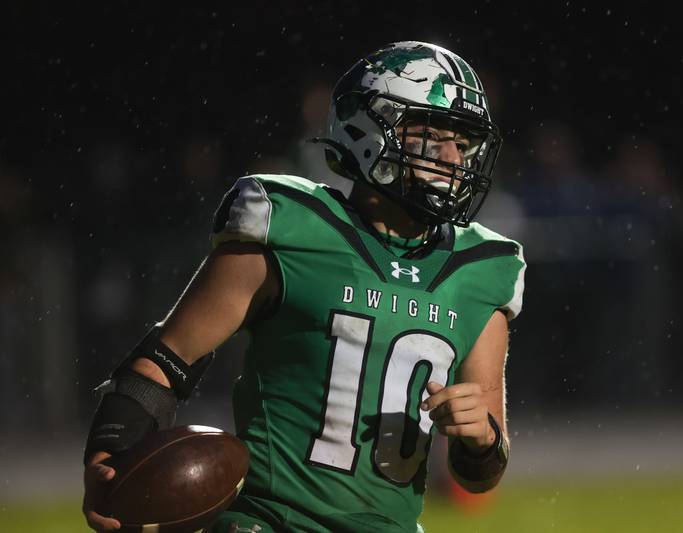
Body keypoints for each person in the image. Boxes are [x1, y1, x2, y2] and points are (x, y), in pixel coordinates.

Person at [82, 41, 526, 533]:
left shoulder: (482, 269)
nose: (452, 157)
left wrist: (481, 440)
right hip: (269, 522)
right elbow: (165, 362)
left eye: (462, 143)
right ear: (367, 128)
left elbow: (482, 473)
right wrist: (110, 458)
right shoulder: (293, 227)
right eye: (431, 134)